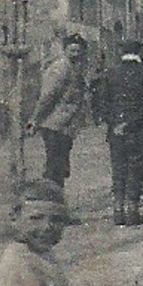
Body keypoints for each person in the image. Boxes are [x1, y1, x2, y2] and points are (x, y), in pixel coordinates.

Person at [95, 39, 143, 226]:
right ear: (139, 52)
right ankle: (132, 209)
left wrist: (115, 122)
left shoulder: (111, 73)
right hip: (139, 129)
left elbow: (102, 103)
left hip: (116, 129)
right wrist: (140, 123)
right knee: (136, 168)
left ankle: (118, 210)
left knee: (119, 168)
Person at [28, 34, 91, 190]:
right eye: (72, 50)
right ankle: (51, 203)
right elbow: (47, 96)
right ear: (65, 50)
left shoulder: (76, 68)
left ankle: (56, 200)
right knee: (54, 166)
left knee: (61, 165)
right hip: (54, 124)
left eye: (79, 50)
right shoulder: (59, 68)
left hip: (66, 125)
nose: (76, 54)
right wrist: (35, 120)